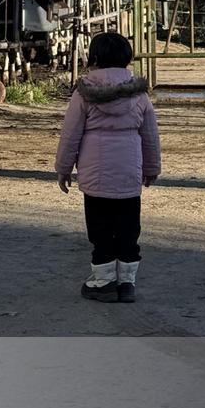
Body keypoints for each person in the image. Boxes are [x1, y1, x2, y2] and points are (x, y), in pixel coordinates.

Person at [55, 32, 161, 303]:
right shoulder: (139, 94)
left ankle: (103, 282)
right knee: (128, 230)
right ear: (127, 58)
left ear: (94, 58)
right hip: (129, 176)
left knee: (100, 230)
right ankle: (127, 283)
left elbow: (70, 134)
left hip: (95, 177)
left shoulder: (84, 93)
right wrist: (152, 167)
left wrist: (64, 168)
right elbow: (150, 135)